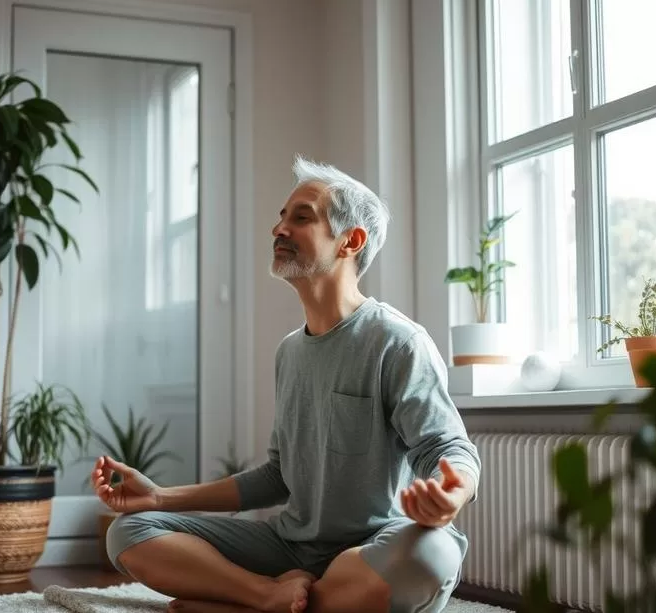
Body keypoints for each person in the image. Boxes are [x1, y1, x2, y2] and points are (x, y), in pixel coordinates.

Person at [91, 156, 482, 613]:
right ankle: (266, 597)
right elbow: (278, 476)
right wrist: (158, 496)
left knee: (432, 558)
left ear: (349, 241)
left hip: (376, 547)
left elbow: (451, 450)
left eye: (301, 218)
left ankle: (258, 603)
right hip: (293, 548)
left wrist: (451, 493)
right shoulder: (290, 352)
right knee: (128, 533)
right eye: (281, 217)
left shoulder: (397, 341)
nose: (279, 229)